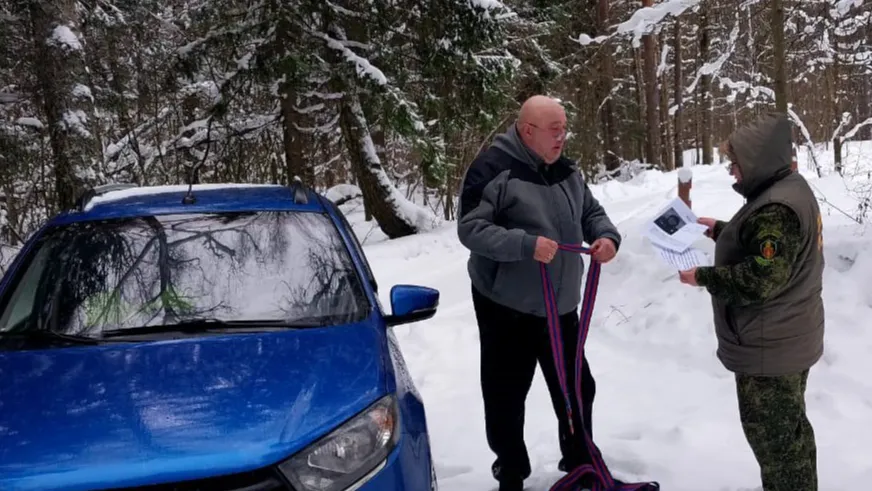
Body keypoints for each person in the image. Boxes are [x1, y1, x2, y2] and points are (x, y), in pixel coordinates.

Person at [456, 95, 622, 491]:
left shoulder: (565, 169)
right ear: (527, 130)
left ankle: (580, 462)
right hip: (505, 305)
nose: (562, 136)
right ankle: (510, 471)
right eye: (554, 130)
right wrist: (525, 244)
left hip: (560, 304)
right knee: (506, 394)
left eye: (564, 128)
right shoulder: (492, 169)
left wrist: (606, 237)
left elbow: (591, 213)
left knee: (578, 386)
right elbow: (471, 230)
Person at [678, 112, 823, 491]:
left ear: (758, 162)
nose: (731, 171)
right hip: (786, 339)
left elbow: (764, 277)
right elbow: (770, 251)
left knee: (778, 450)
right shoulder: (786, 190)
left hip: (769, 350)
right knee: (791, 439)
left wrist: (702, 277)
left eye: (736, 163)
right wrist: (721, 231)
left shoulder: (776, 209)